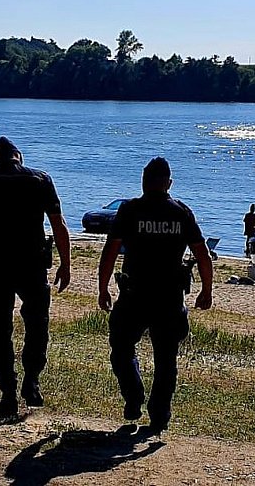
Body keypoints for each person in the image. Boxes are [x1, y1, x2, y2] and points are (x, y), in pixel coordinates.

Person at [98, 157, 213, 434]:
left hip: (135, 295)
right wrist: (206, 289)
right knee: (166, 360)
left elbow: (110, 250)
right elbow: (202, 254)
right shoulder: (181, 212)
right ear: (169, 184)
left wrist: (103, 287)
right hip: (169, 297)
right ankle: (159, 415)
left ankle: (134, 395)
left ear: (143, 181)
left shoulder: (130, 210)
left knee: (122, 348)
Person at [0, 136, 71, 423]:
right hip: (32, 264)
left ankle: (8, 393)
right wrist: (65, 263)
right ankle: (32, 380)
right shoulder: (40, 180)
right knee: (37, 323)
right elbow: (58, 224)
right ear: (19, 157)